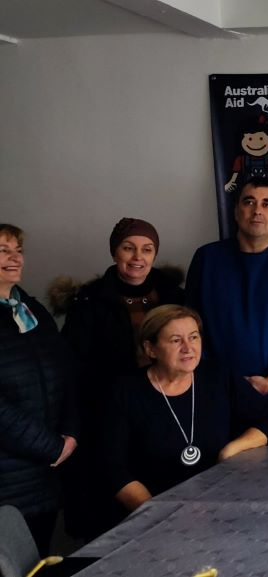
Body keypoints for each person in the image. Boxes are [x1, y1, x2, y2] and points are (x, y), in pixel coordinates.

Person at [57, 217, 185, 538]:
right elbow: (72, 369)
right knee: (115, 509)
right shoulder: (88, 301)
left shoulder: (175, 296)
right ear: (115, 252)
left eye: (147, 249)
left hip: (166, 414)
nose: (137, 257)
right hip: (108, 415)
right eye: (128, 248)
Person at [104, 305, 268, 514]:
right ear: (151, 349)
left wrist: (232, 449)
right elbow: (113, 468)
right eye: (176, 340)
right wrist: (157, 514)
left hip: (222, 504)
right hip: (155, 508)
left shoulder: (218, 376)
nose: (188, 348)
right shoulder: (124, 391)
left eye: (194, 337)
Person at [186, 176, 268, 445]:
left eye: (267, 204)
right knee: (228, 469)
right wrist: (218, 380)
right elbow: (191, 324)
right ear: (236, 212)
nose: (257, 210)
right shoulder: (207, 258)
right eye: (249, 202)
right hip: (225, 394)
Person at [0, 224, 78, 554]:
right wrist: (51, 446)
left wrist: (71, 432)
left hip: (45, 476)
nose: (15, 258)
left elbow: (68, 373)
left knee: (39, 560)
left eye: (18, 250)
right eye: (3, 250)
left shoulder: (32, 310)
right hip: (9, 479)